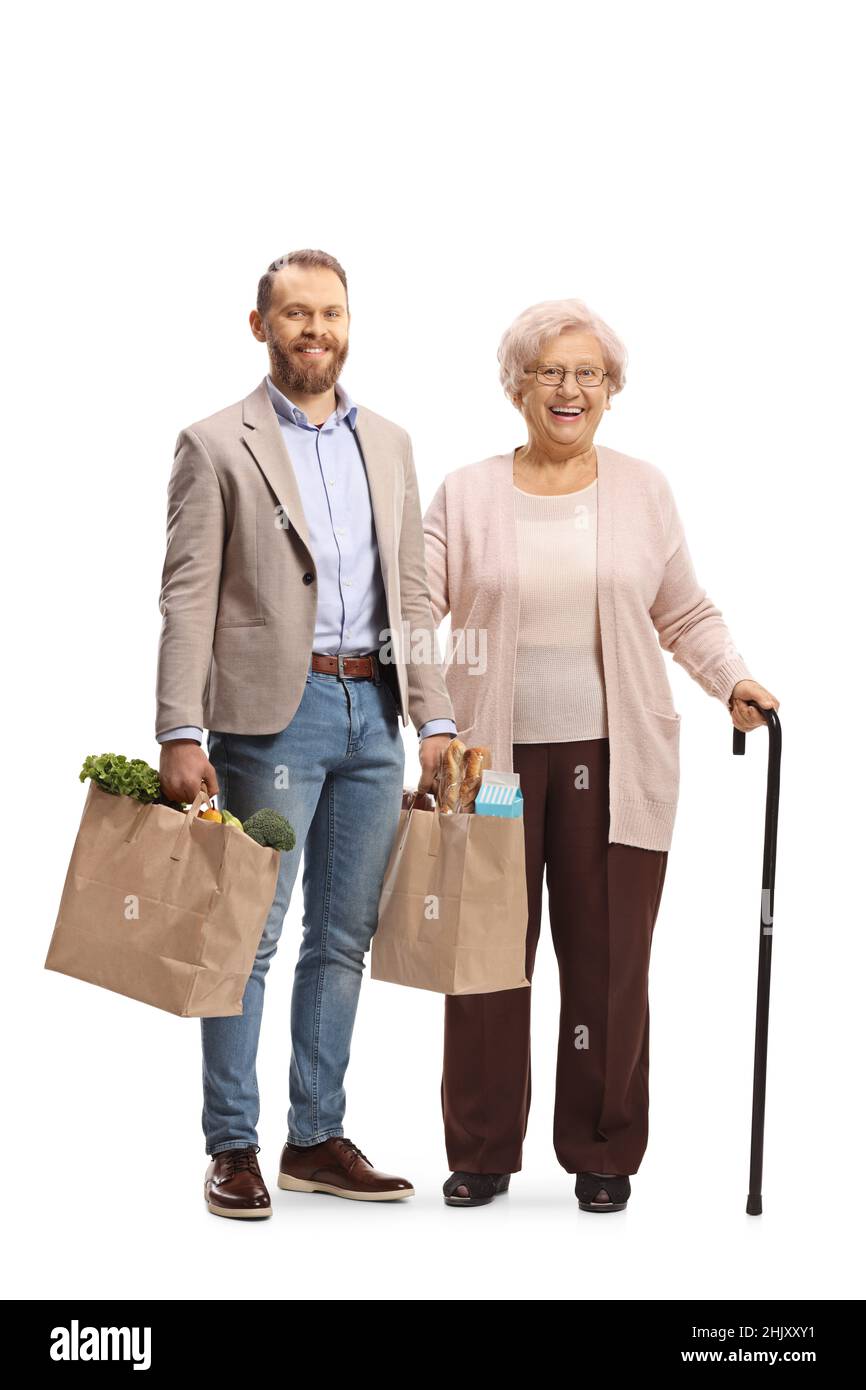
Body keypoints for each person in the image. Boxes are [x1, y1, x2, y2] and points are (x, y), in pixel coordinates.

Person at [421, 297, 779, 1212]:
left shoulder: (641, 490)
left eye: (588, 373)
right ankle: (483, 1147)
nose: (569, 388)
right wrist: (432, 719)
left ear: (612, 390)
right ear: (518, 387)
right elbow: (416, 609)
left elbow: (683, 611)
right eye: (550, 371)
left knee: (608, 960)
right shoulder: (465, 492)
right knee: (489, 959)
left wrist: (730, 678)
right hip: (491, 774)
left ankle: (604, 1147)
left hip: (612, 765)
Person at [155, 249, 457, 1218]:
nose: (313, 329)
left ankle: (315, 1135)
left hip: (373, 713)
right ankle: (232, 1144)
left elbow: (409, 590)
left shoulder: (393, 444)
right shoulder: (214, 443)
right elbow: (186, 594)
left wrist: (435, 720)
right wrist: (177, 728)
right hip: (266, 719)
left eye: (328, 313)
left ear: (347, 324)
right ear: (261, 327)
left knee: (343, 935)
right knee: (246, 931)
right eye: (294, 314)